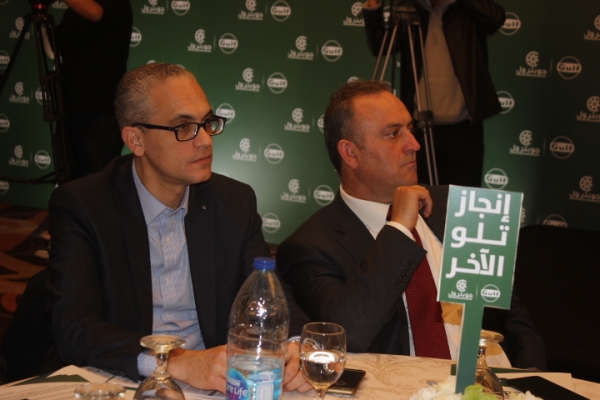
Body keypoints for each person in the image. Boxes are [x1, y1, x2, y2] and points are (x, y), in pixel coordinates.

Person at [47, 63, 312, 392]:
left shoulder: (234, 202)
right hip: (124, 381)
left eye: (207, 123)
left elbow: (269, 294)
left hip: (214, 385)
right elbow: (73, 326)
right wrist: (175, 361)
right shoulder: (85, 205)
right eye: (184, 127)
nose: (205, 141)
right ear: (136, 140)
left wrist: (297, 344)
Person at [277, 80, 547, 370]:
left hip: (491, 380)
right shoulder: (310, 246)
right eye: (394, 134)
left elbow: (513, 318)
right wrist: (400, 229)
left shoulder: (458, 206)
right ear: (350, 153)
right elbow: (349, 334)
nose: (414, 144)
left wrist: (533, 379)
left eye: (410, 128)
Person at [362, 0, 505, 187]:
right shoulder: (413, 10)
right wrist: (373, 7)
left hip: (463, 129)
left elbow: (495, 18)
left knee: (459, 197)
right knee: (418, 195)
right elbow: (381, 44)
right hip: (417, 128)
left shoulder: (466, 10)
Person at [57, 0, 132, 179]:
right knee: (68, 181)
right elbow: (55, 44)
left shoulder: (115, 4)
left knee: (103, 181)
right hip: (68, 107)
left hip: (101, 109)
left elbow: (95, 13)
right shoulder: (73, 12)